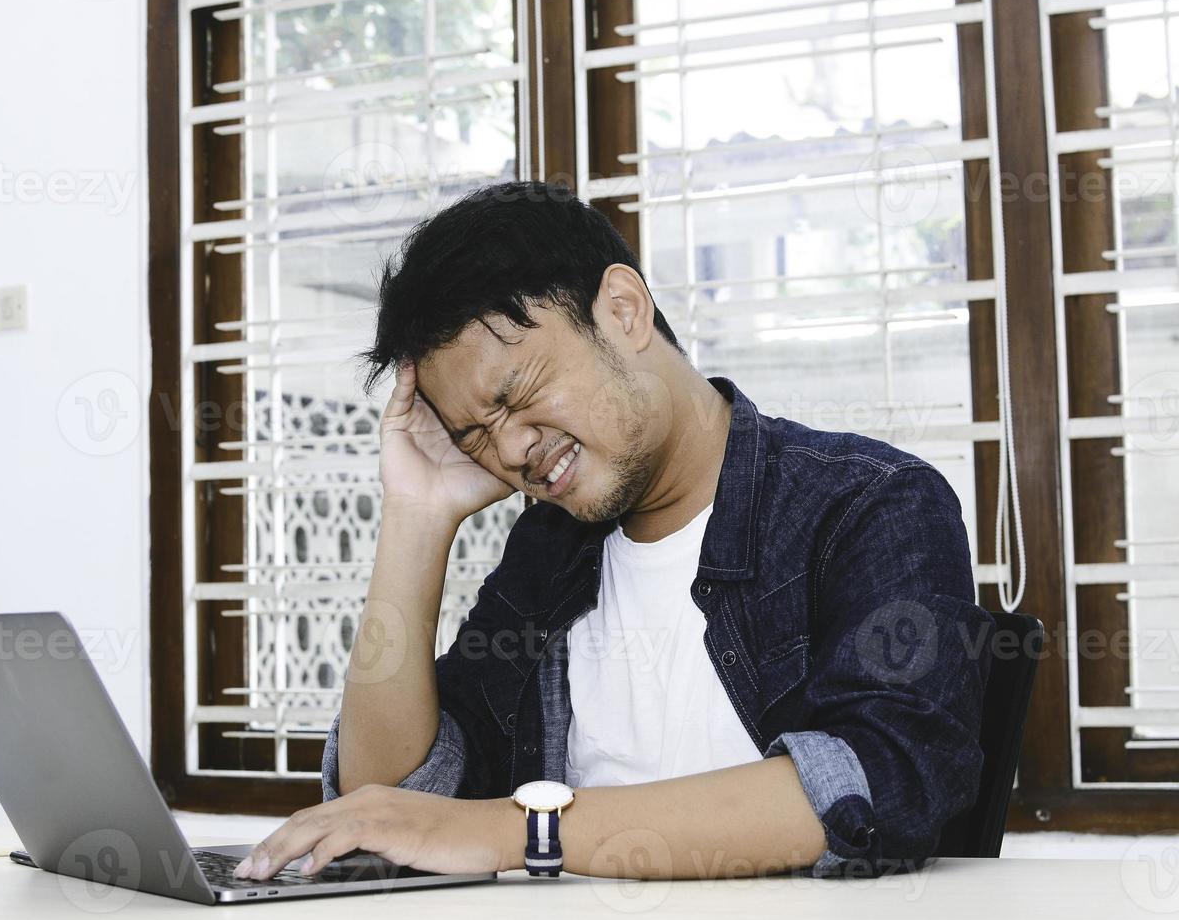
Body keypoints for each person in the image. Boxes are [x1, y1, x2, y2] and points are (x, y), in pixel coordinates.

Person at [235, 181, 992, 882]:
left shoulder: (870, 506)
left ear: (623, 312)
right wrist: (416, 517)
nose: (509, 451)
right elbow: (387, 799)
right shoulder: (552, 551)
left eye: (519, 393)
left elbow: (876, 783)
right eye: (475, 435)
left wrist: (517, 831)